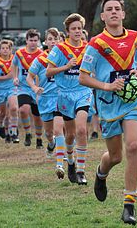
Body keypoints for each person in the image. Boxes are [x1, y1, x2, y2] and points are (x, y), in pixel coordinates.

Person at [79, 0, 137, 225]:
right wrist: (107, 86)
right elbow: (83, 77)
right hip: (108, 104)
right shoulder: (96, 44)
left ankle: (129, 203)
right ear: (103, 17)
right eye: (109, 9)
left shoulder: (136, 38)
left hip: (133, 99)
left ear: (124, 14)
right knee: (115, 156)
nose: (114, 12)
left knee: (134, 145)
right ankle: (101, 172)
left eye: (118, 8)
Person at [46, 13, 92, 185]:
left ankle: (81, 170)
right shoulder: (60, 50)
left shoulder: (88, 48)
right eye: (74, 29)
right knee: (70, 135)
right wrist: (66, 66)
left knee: (81, 130)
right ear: (67, 31)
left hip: (83, 92)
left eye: (79, 28)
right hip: (64, 94)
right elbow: (48, 72)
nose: (77, 31)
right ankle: (70, 161)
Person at [27, 28, 64, 173]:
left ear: (61, 41)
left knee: (59, 129)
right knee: (49, 133)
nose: (53, 42)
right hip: (45, 98)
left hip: (60, 97)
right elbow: (29, 77)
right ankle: (51, 143)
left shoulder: (65, 58)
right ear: (46, 41)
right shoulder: (41, 59)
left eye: (56, 39)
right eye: (50, 39)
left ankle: (61, 161)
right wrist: (35, 88)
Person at [11, 29, 43, 147]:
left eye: (35, 40)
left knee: (37, 115)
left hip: (37, 88)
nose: (33, 43)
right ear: (26, 41)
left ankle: (39, 138)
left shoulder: (41, 54)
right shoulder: (19, 53)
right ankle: (28, 133)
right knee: (23, 110)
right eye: (31, 40)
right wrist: (15, 77)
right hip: (23, 87)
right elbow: (13, 65)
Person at [0, 39, 19, 143]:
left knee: (14, 108)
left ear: (11, 50)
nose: (5, 50)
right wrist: (6, 77)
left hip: (12, 87)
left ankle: (14, 132)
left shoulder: (14, 60)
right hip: (0, 89)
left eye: (7, 48)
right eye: (3, 48)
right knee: (3, 113)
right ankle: (2, 125)